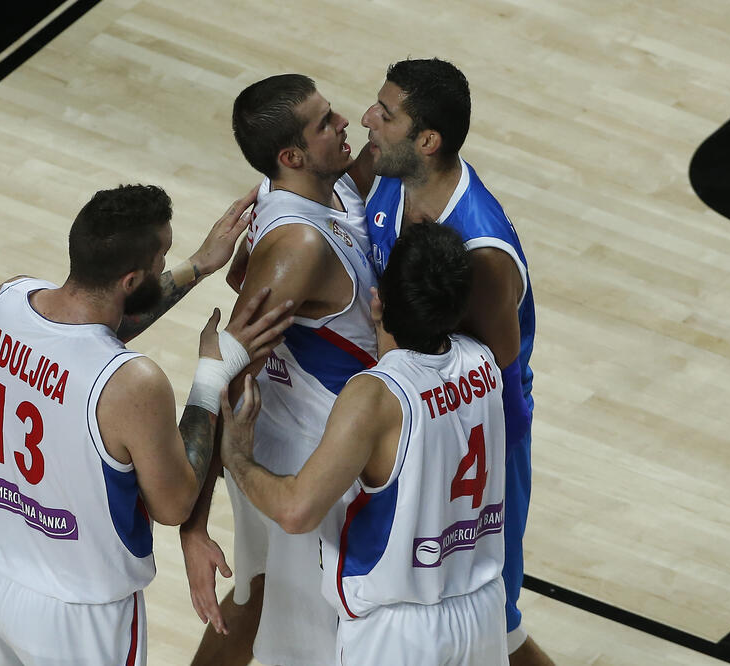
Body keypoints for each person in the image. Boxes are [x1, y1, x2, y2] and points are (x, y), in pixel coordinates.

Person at [0, 183, 294, 665]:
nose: (166, 264)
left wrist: (199, 265)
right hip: (78, 610)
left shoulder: (5, 301)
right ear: (131, 279)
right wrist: (211, 373)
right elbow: (175, 502)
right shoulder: (131, 383)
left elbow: (86, 333)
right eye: (163, 257)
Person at [222, 222, 521, 665]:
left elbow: (296, 510)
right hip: (481, 615)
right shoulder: (484, 365)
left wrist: (238, 459)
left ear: (376, 301)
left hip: (400, 633)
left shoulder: (377, 397)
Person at [351, 58, 553, 665]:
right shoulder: (391, 173)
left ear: (428, 141)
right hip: (414, 410)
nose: (368, 120)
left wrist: (489, 478)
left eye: (385, 115)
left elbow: (502, 379)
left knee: (497, 617)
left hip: (478, 428)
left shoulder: (481, 248)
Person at [180, 74, 378, 666]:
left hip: (291, 430)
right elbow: (227, 376)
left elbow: (245, 277)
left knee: (255, 597)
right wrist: (194, 524)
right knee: (325, 637)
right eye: (325, 122)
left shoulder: (320, 189)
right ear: (291, 156)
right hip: (306, 459)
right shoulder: (299, 246)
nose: (344, 122)